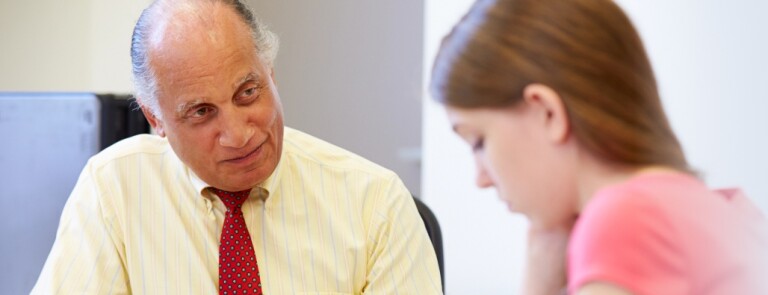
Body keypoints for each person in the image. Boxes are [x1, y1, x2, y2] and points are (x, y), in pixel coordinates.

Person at [32, 0, 442, 294]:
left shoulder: (377, 204)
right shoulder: (113, 189)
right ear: (155, 119)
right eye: (201, 112)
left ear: (271, 74)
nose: (238, 134)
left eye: (248, 92)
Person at [430, 0, 768, 294]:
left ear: (547, 112)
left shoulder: (626, 220)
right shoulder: (724, 209)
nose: (481, 178)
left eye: (479, 142)